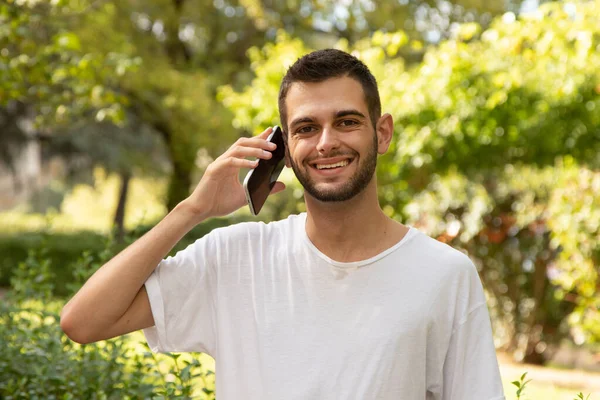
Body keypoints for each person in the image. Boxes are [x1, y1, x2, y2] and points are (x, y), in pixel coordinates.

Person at [61, 49, 505, 400]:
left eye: (347, 122)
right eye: (306, 128)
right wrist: (191, 210)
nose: (326, 142)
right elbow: (83, 322)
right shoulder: (234, 257)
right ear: (285, 150)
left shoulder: (445, 274)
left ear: (382, 132)